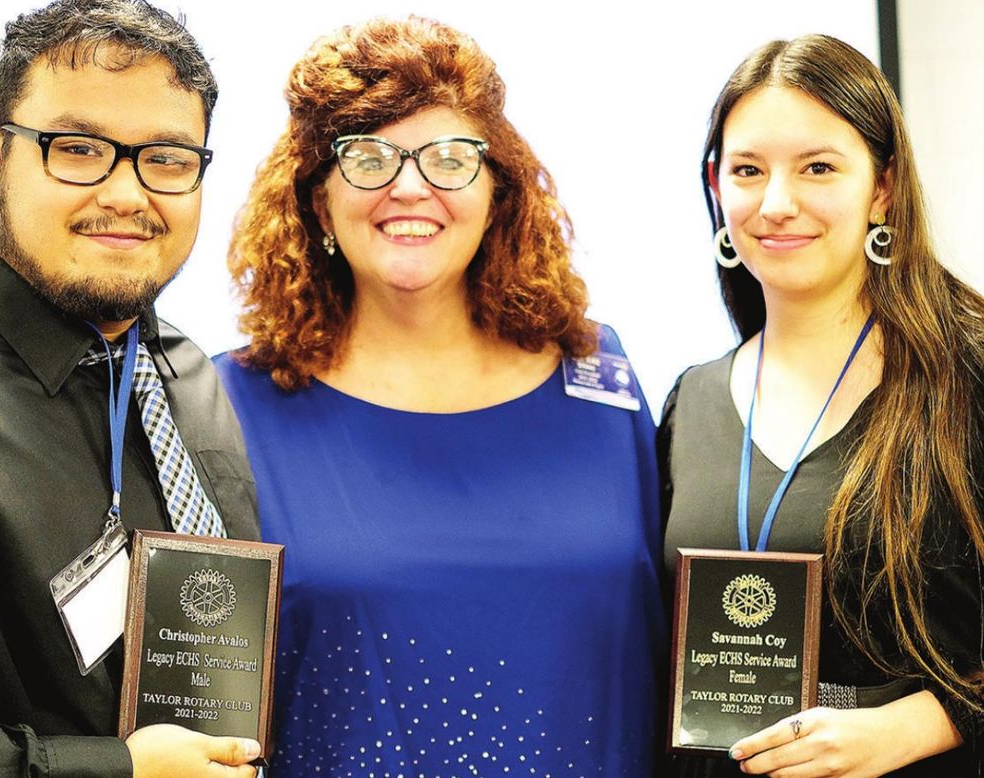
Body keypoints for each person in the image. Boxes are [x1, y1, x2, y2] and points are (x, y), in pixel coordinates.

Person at [215, 16, 665, 777]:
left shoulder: (599, 376)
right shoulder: (232, 405)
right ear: (318, 200)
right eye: (368, 158)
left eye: (450, 158)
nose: (411, 186)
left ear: (498, 190)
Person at [0, 1, 263, 775]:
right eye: (78, 148)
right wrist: (114, 770)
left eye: (167, 157)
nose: (127, 194)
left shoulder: (190, 373)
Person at [659, 34, 984, 777]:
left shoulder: (968, 375)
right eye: (748, 171)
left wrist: (923, 724)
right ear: (717, 185)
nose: (777, 204)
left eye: (818, 168)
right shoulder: (691, 403)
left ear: (883, 187)